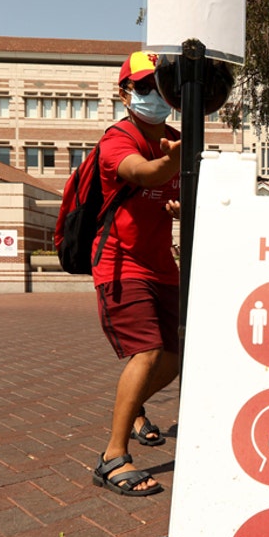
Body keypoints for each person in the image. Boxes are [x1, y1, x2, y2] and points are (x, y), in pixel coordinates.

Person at [91, 51, 183, 497]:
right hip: (120, 262)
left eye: (161, 87)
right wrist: (174, 162)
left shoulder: (175, 138)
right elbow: (143, 171)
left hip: (163, 266)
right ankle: (112, 456)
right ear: (125, 93)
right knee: (146, 352)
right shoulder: (117, 140)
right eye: (144, 87)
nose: (155, 95)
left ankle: (136, 405)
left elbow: (186, 190)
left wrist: (185, 202)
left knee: (176, 356)